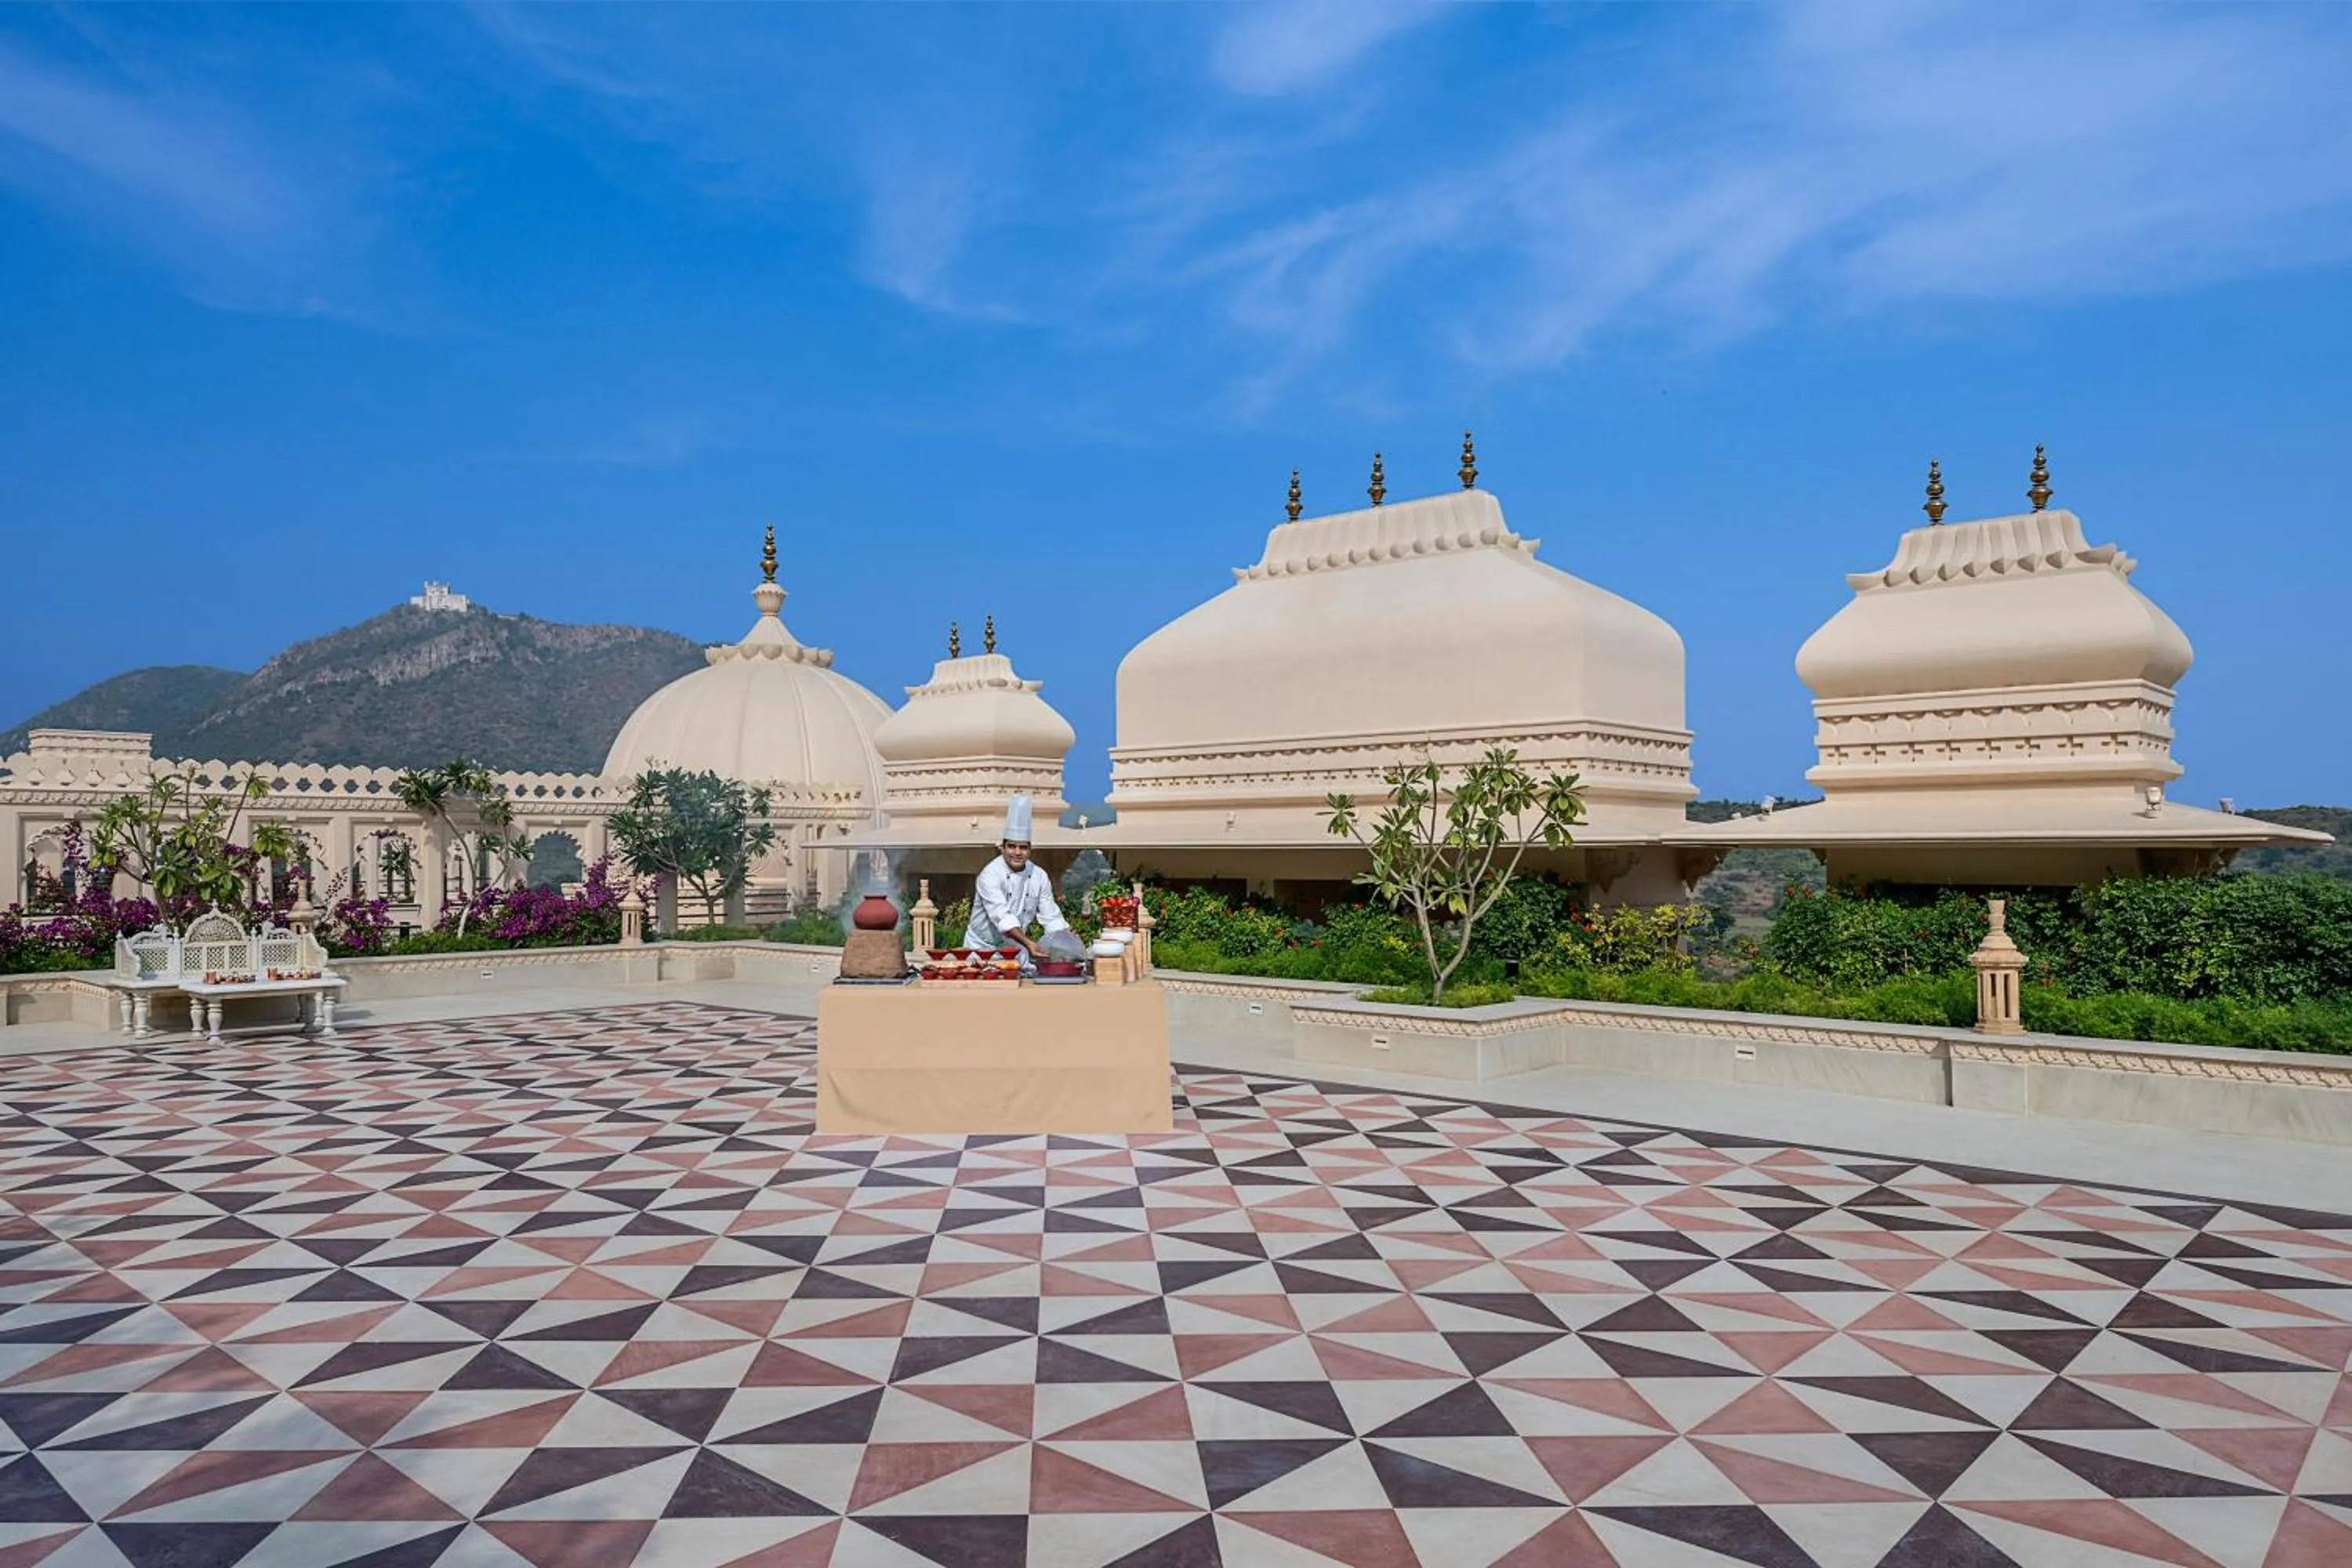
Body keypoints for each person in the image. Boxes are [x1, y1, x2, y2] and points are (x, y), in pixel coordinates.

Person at [964, 795, 1070, 968]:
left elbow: (1051, 917)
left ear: (1031, 850)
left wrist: (1066, 939)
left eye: (1023, 847)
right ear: (1002, 848)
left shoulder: (1039, 876)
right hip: (981, 949)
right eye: (1012, 846)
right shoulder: (990, 874)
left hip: (1015, 948)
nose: (1017, 852)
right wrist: (1029, 944)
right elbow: (1002, 916)